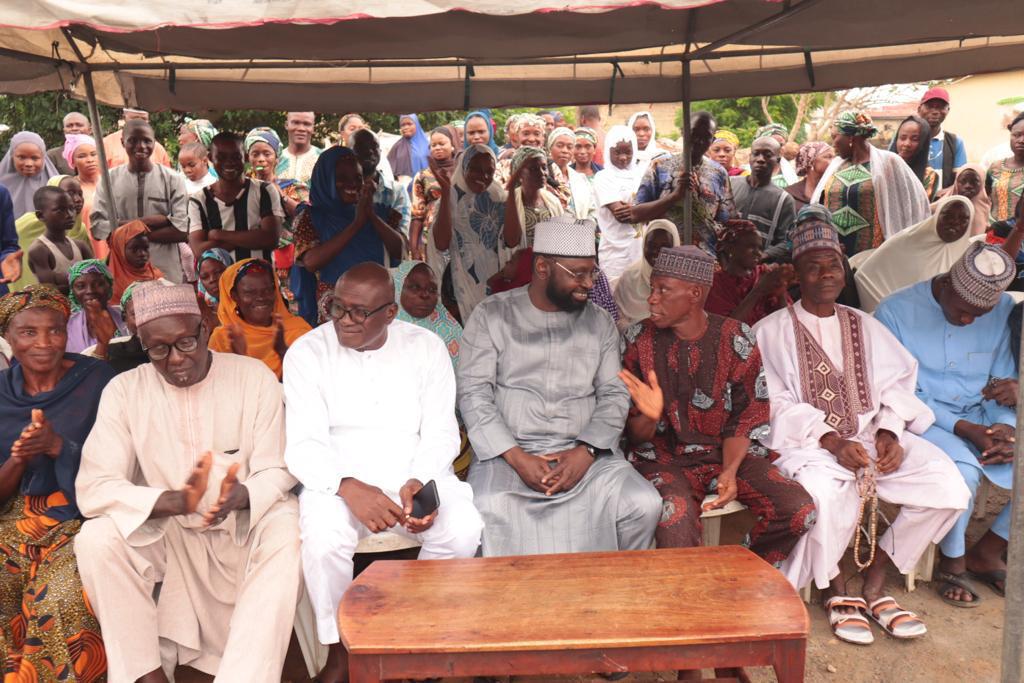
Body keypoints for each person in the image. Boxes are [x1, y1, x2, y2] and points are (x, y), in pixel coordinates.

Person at [753, 219, 970, 645]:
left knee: (948, 485)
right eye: (814, 267)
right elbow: (770, 403)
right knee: (826, 494)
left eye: (834, 265)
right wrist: (831, 440)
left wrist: (889, 431)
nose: (827, 274)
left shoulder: (864, 324)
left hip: (871, 438)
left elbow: (897, 385)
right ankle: (835, 587)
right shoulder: (771, 332)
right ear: (796, 274)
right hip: (809, 446)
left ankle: (876, 579)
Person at [75, 283, 301, 683]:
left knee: (288, 527)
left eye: (185, 343)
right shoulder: (125, 391)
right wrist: (170, 502)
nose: (176, 359)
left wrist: (243, 495)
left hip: (242, 532)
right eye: (159, 350)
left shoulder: (253, 377)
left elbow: (279, 467)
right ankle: (144, 674)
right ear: (143, 345)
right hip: (171, 536)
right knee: (96, 539)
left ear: (204, 327)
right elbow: (96, 484)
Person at [284, 263, 483, 683]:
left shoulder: (426, 347)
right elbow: (302, 444)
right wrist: (345, 486)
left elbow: (441, 430)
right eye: (337, 307)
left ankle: (418, 634)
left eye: (358, 312)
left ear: (390, 314)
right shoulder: (307, 352)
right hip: (336, 481)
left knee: (462, 528)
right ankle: (340, 652)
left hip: (412, 473)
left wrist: (420, 479)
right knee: (323, 540)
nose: (343, 320)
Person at [458, 215, 662, 556]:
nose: (589, 283)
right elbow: (474, 393)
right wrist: (517, 457)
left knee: (642, 503)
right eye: (578, 274)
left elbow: (613, 394)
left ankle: (615, 603)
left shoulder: (599, 322)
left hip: (587, 455)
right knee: (486, 507)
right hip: (507, 457)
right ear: (542, 268)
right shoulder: (492, 315)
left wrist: (587, 452)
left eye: (592, 271)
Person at [621, 244, 814, 563]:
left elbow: (746, 416)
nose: (651, 298)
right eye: (652, 288)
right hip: (662, 457)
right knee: (675, 523)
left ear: (694, 294)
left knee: (797, 509)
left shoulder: (736, 336)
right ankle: (691, 602)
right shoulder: (637, 340)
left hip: (725, 452)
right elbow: (635, 435)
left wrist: (729, 471)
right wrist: (649, 415)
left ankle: (738, 575)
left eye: (663, 290)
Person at [875, 242, 1017, 608]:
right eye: (963, 311)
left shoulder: (1002, 310)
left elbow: (1003, 379)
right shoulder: (895, 312)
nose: (969, 320)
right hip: (922, 417)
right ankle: (953, 563)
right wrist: (964, 428)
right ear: (949, 283)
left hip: (984, 415)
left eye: (979, 315)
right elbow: (896, 391)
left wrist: (1005, 428)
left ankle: (989, 550)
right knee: (964, 474)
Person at [0, 284, 115, 682]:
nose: (44, 343)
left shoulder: (97, 380)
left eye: (55, 330)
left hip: (82, 514)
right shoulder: (1, 394)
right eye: (28, 333)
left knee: (62, 595)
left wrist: (58, 447)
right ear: (8, 337)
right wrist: (18, 457)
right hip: (13, 519)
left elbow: (122, 465)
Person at [294, 146, 405, 319]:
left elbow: (399, 251)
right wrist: (356, 224)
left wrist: (371, 216)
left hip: (376, 301)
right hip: (335, 305)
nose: (352, 184)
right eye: (342, 178)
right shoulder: (311, 217)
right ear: (325, 179)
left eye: (358, 178)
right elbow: (310, 261)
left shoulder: (381, 212)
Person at [812, 110, 930, 258]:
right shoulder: (836, 165)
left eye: (835, 137)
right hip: (836, 253)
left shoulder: (888, 162)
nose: (833, 143)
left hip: (875, 257)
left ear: (851, 137)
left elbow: (913, 203)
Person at [91, 119, 190, 283]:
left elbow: (181, 231)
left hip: (164, 270)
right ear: (123, 142)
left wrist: (124, 230)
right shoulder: (108, 180)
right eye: (133, 140)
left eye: (147, 140)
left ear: (154, 142)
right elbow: (99, 228)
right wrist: (157, 221)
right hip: (123, 272)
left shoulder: (173, 179)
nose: (141, 146)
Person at [432, 144, 516, 320]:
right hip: (460, 283)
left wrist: (512, 196)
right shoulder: (450, 199)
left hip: (495, 281)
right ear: (464, 167)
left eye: (489, 171)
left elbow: (512, 240)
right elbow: (441, 243)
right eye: (476, 169)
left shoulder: (499, 197)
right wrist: (446, 192)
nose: (484, 176)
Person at [632, 111, 736, 253]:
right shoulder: (660, 166)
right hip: (665, 256)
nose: (699, 141)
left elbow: (726, 221)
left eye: (706, 137)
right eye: (694, 134)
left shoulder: (719, 173)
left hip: (705, 258)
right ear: (683, 132)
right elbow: (636, 214)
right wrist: (674, 196)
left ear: (712, 140)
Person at [855, 195, 973, 312]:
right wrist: (888, 311)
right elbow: (865, 278)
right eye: (948, 216)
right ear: (936, 216)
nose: (954, 222)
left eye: (963, 219)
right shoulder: (907, 240)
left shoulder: (969, 257)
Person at [188, 132, 284, 266]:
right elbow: (200, 251)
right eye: (221, 157)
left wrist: (219, 234)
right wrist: (252, 237)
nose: (229, 162)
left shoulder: (265, 191)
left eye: (235, 156)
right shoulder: (199, 200)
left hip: (261, 283)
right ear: (210, 158)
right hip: (219, 284)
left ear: (244, 157)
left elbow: (271, 238)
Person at [208, 258, 311, 379]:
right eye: (250, 292)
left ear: (275, 291)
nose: (261, 298)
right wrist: (239, 356)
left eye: (267, 290)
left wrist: (283, 351)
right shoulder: (223, 339)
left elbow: (307, 382)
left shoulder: (298, 331)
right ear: (234, 296)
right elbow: (219, 388)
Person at [706, 219, 792, 325]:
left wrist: (781, 294)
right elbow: (725, 331)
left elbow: (787, 324)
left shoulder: (765, 274)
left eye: (760, 248)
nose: (758, 253)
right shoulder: (715, 284)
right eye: (751, 246)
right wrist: (758, 291)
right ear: (731, 248)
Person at [16, 177, 91, 292]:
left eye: (71, 209)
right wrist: (81, 279)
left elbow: (97, 278)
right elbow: (51, 290)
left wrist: (62, 279)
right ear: (41, 216)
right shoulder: (39, 249)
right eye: (60, 210)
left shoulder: (80, 245)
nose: (70, 214)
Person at [730, 136, 796, 263]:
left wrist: (762, 256)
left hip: (756, 271)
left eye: (767, 155)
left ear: (777, 160)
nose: (760, 159)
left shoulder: (783, 200)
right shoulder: (730, 184)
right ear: (750, 157)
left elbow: (789, 242)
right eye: (756, 154)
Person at [593, 125, 643, 284]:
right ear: (608, 151)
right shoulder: (603, 177)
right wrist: (646, 209)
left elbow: (631, 211)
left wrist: (634, 209)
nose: (623, 158)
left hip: (639, 249)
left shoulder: (639, 176)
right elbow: (622, 214)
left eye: (628, 152)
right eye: (617, 152)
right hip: (614, 252)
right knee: (615, 297)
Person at [409, 126, 460, 271]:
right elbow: (417, 214)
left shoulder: (463, 172)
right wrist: (414, 248)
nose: (437, 148)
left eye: (442, 143)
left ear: (452, 145)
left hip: (460, 236)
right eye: (433, 145)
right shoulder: (423, 176)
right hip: (431, 237)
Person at [614, 219, 680, 330]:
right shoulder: (629, 277)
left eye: (665, 246)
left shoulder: (683, 281)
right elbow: (617, 317)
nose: (657, 251)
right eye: (651, 245)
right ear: (643, 245)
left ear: (675, 247)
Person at [349, 128, 412, 239]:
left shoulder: (397, 192)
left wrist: (371, 214)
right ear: (349, 151)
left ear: (380, 151)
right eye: (361, 147)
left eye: (374, 146)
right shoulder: (340, 190)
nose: (369, 151)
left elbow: (401, 243)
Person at [64, 259, 128, 354]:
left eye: (98, 284)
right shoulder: (67, 328)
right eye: (81, 286)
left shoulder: (126, 316)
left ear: (109, 286)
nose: (90, 291)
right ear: (73, 292)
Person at [505, 146, 562, 248]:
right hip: (519, 262)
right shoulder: (509, 202)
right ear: (519, 173)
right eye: (533, 169)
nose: (542, 173)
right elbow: (509, 243)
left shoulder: (553, 201)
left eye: (544, 167)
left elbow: (561, 240)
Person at [63, 133, 105, 257]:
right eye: (82, 156)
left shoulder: (112, 183)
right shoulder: (71, 190)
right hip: (85, 249)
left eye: (93, 154)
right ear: (72, 161)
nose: (90, 160)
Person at [0, 131, 58, 217]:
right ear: (12, 157)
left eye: (35, 158)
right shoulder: (2, 183)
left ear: (43, 158)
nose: (28, 164)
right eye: (22, 157)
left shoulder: (54, 185)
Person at [919, 87, 967, 189]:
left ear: (948, 110)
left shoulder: (955, 142)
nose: (935, 111)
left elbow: (960, 180)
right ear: (919, 109)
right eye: (929, 106)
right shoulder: (907, 139)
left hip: (944, 202)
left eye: (941, 107)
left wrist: (946, 195)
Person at [109, 219, 163, 301]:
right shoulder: (111, 285)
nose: (142, 254)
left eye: (146, 248)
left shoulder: (156, 276)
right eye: (135, 249)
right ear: (120, 251)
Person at [547, 127, 595, 220]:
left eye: (570, 147)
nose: (565, 150)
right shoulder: (543, 175)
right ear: (550, 147)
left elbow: (590, 209)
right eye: (560, 145)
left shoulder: (580, 179)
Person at [889, 115, 939, 201]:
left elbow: (920, 207)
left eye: (915, 139)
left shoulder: (929, 175)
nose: (907, 144)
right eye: (903, 138)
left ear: (923, 143)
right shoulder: (883, 166)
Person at [987, 111, 1024, 225]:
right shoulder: (995, 167)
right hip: (994, 236)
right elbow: (985, 196)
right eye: (1016, 135)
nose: (1021, 140)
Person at [935, 164, 990, 237]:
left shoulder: (983, 208)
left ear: (982, 184)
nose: (968, 186)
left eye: (974, 182)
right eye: (963, 181)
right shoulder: (940, 207)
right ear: (956, 182)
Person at [785, 141, 834, 213]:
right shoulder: (790, 195)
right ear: (811, 161)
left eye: (833, 157)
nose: (833, 162)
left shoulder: (835, 191)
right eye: (828, 157)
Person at [276, 111, 321, 186]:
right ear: (287, 125)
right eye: (296, 123)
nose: (301, 129)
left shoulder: (323, 159)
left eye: (307, 124)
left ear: (313, 128)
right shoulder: (275, 159)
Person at [195, 247, 234, 328]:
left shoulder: (245, 304)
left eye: (218, 272)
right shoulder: (202, 310)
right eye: (205, 277)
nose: (212, 280)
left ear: (231, 269)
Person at [387, 113, 431, 183]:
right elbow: (388, 170)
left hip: (425, 186)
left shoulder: (428, 145)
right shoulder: (397, 147)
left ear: (417, 125)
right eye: (403, 125)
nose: (405, 127)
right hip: (404, 189)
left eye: (409, 124)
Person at [754, 123, 799, 188]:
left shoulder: (790, 174)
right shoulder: (746, 172)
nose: (781, 148)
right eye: (775, 143)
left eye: (782, 144)